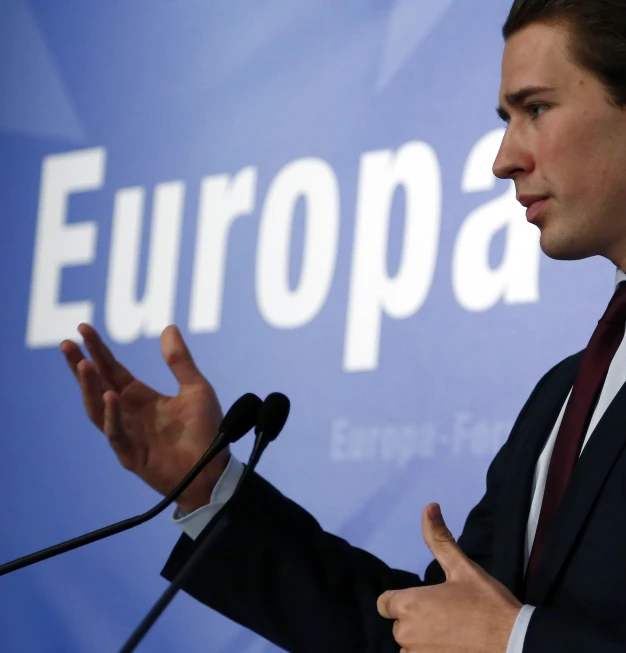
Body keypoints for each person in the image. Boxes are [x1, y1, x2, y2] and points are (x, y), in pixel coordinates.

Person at [60, 1, 626, 651]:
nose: (503, 159)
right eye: (505, 118)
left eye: (535, 109)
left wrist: (517, 640)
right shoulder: (565, 395)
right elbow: (410, 636)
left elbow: (498, 638)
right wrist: (209, 487)